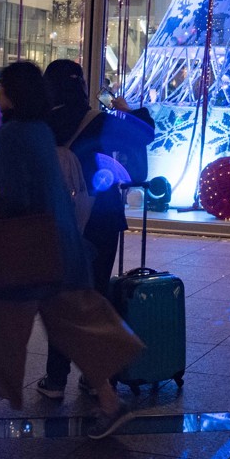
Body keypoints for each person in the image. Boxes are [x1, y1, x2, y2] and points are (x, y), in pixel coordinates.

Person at [0, 61, 143, 440]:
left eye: (2, 87)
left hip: (22, 255)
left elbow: (18, 198)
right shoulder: (41, 131)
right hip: (61, 249)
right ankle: (109, 401)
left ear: (14, 94)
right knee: (75, 329)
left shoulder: (11, 136)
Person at [37, 59, 154, 399]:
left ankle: (55, 379)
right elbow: (145, 133)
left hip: (57, 219)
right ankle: (94, 376)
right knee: (96, 295)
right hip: (99, 217)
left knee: (62, 299)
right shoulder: (98, 120)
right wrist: (127, 109)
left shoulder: (40, 123)